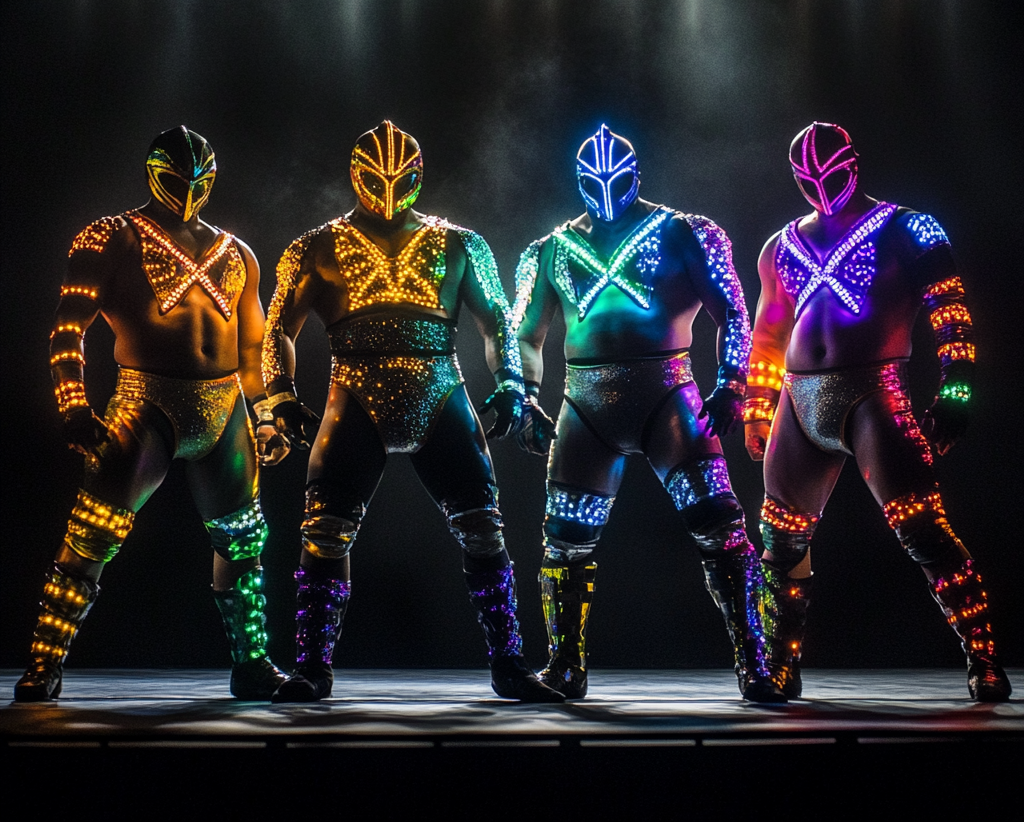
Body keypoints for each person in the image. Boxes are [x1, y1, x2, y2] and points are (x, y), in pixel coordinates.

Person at [260, 120, 561, 703]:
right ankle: (313, 667)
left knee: (482, 527)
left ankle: (509, 662)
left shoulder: (459, 243)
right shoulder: (316, 246)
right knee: (325, 531)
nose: (390, 190)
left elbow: (497, 320)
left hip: (430, 388)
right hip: (368, 391)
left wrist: (511, 386)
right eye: (379, 179)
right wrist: (278, 397)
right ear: (357, 177)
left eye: (401, 179)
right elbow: (278, 329)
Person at [512, 124, 783, 702]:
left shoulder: (687, 232)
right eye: (596, 184)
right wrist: (523, 393)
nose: (607, 194)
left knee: (722, 528)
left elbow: (733, 312)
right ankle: (565, 666)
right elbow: (526, 333)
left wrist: (733, 382)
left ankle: (756, 663)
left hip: (668, 395)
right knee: (565, 540)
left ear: (636, 176)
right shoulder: (550, 249)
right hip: (587, 403)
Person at [15, 126, 287, 702]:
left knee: (243, 541)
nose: (188, 190)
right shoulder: (109, 236)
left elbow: (251, 350)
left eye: (198, 180)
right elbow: (69, 329)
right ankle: (44, 662)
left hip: (224, 405)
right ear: (153, 172)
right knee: (92, 534)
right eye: (177, 178)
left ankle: (253, 662)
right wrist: (73, 404)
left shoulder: (237, 253)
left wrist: (265, 415)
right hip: (145, 402)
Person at [743, 121, 1011, 701]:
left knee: (921, 527)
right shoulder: (779, 246)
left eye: (829, 174)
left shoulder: (908, 228)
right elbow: (768, 332)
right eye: (807, 179)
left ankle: (984, 655)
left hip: (874, 392)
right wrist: (758, 408)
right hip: (799, 395)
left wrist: (956, 387)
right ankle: (781, 666)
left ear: (853, 164)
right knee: (782, 538)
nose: (819, 186)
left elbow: (951, 311)